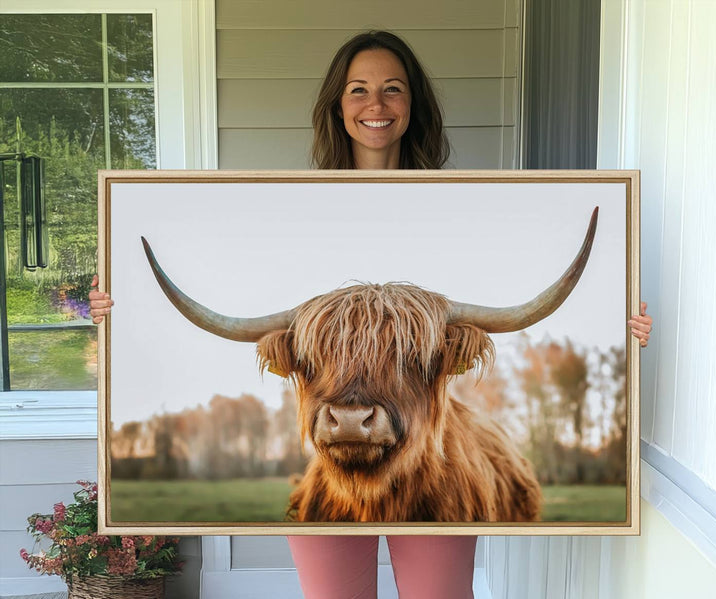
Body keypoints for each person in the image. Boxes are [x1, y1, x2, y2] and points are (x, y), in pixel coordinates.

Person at [90, 30, 653, 599]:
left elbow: (523, 299)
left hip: (436, 465)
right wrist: (120, 306)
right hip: (330, 483)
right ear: (339, 105)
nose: (375, 105)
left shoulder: (467, 205)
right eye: (358, 90)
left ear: (413, 106)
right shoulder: (290, 208)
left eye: (393, 90)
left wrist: (619, 322)